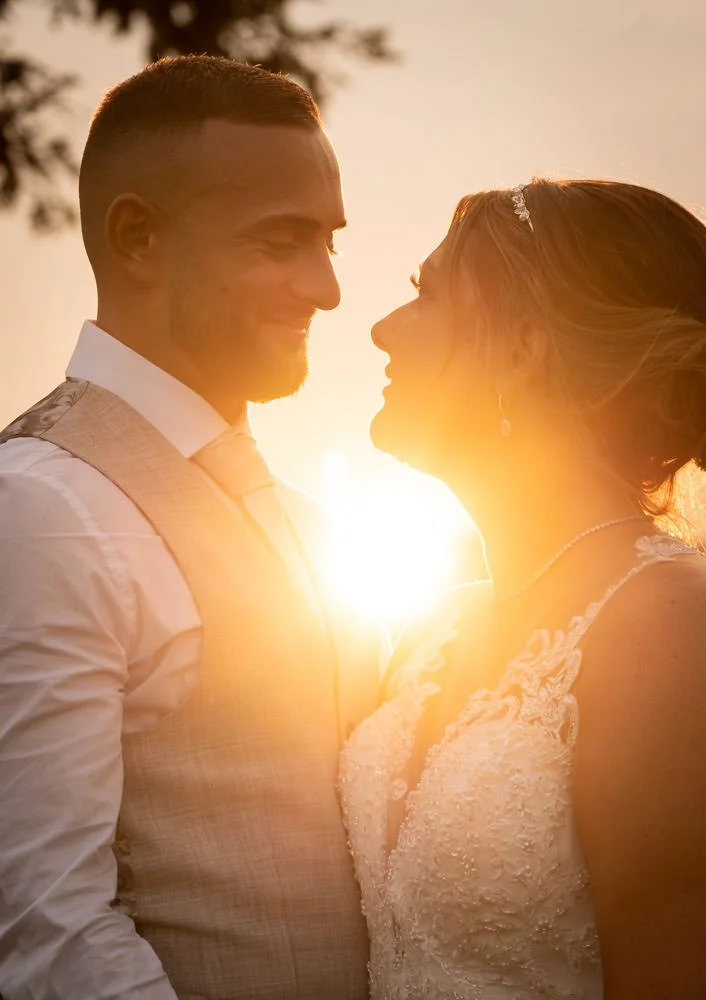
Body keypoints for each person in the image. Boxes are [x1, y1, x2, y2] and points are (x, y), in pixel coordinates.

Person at [0, 56, 381, 1000]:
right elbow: (46, 929)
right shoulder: (42, 507)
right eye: (280, 242)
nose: (327, 289)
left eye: (329, 241)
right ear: (137, 237)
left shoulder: (308, 520)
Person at [339, 178, 706, 999]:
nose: (380, 329)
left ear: (523, 348)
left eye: (425, 296)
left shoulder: (669, 628)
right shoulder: (431, 630)